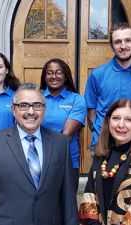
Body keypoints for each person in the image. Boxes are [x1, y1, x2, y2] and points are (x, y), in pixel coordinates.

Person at [0, 83, 79, 225]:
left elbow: (68, 198)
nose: (31, 111)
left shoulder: (61, 143)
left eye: (37, 105)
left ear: (44, 109)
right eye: (23, 105)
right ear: (13, 110)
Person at [84, 23, 131, 152]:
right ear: (112, 46)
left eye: (128, 40)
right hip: (104, 147)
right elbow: (91, 116)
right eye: (118, 42)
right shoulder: (97, 75)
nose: (123, 46)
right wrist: (104, 137)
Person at [40, 58, 87, 191]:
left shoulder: (76, 100)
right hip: (38, 160)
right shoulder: (37, 98)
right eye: (49, 73)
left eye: (59, 72)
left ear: (65, 76)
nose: (54, 76)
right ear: (44, 77)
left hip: (67, 160)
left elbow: (66, 135)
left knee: (67, 206)